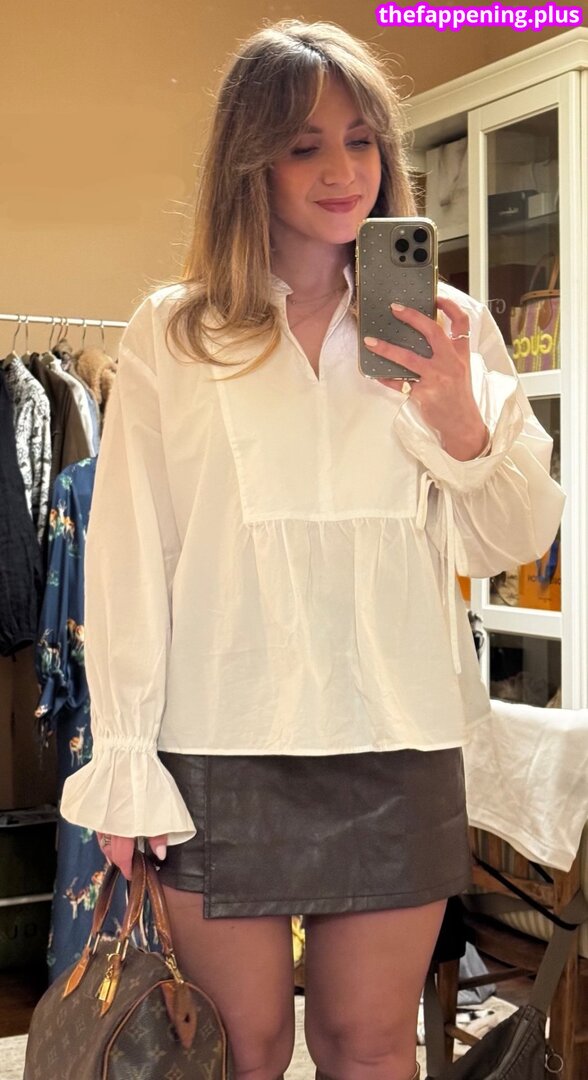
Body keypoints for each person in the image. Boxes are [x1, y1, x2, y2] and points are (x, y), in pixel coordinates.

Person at [60, 20, 564, 1080]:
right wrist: (127, 756)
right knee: (240, 1049)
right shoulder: (176, 333)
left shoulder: (447, 325)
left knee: (368, 1045)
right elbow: (131, 556)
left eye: (361, 139)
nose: (343, 171)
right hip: (220, 740)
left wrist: (457, 416)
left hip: (396, 735)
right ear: (249, 162)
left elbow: (517, 534)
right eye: (304, 146)